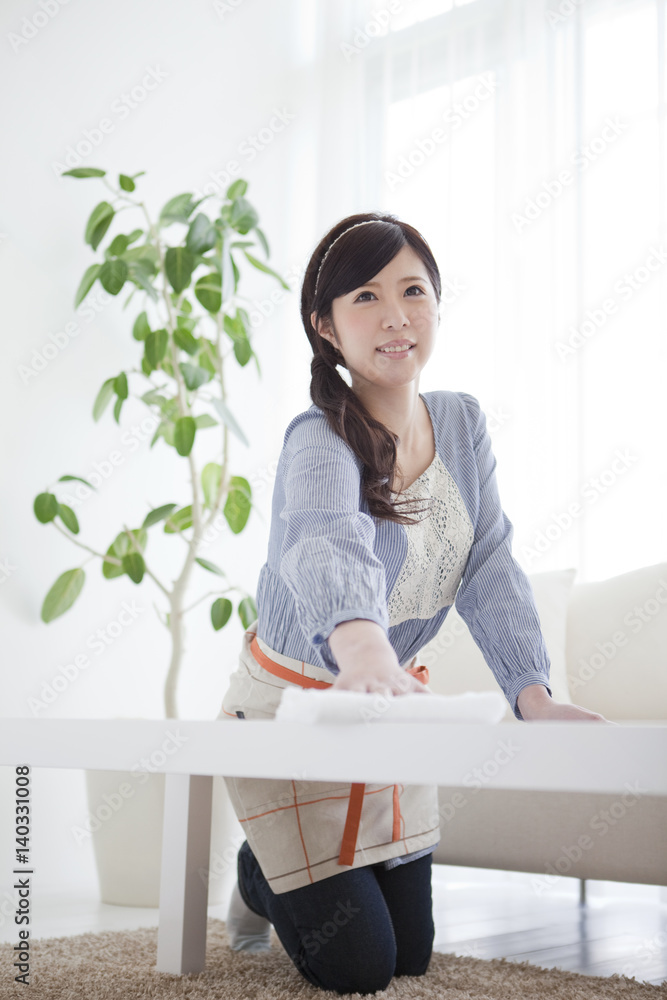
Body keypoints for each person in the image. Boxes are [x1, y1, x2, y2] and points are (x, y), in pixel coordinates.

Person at [217, 212, 610, 995]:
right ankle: (261, 873)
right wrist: (363, 648)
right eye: (365, 297)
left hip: (388, 710)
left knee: (410, 958)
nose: (396, 315)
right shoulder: (318, 437)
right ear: (324, 326)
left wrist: (530, 694)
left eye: (413, 291)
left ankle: (297, 875)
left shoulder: (460, 422)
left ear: (435, 303)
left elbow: (489, 560)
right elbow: (325, 541)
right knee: (359, 967)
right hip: (293, 713)